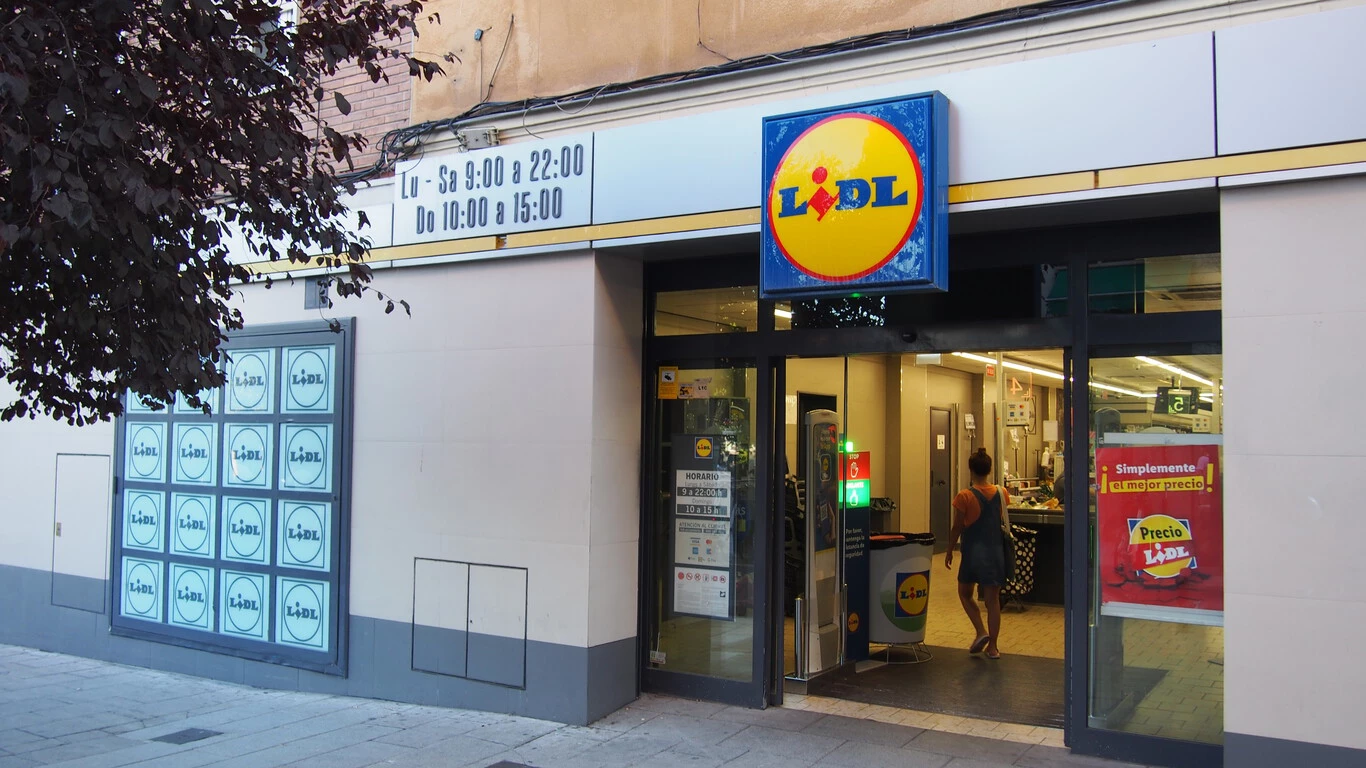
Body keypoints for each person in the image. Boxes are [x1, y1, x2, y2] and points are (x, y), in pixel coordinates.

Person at [944, 447, 1009, 659]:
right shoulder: (1002, 493)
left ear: (970, 470)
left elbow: (957, 527)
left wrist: (949, 550)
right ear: (989, 470)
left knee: (965, 593)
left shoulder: (964, 496)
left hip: (973, 553)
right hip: (996, 552)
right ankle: (994, 647)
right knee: (993, 600)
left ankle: (981, 631)